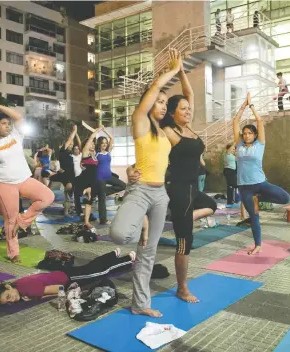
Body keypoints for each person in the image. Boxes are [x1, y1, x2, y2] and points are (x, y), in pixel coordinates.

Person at [110, 49, 181, 318]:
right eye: (160, 101)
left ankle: (140, 304)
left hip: (160, 194)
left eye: (165, 103)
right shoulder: (140, 122)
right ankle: (139, 220)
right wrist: (171, 72)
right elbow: (153, 88)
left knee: (148, 252)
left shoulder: (163, 133)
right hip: (140, 191)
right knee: (119, 235)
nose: (163, 105)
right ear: (148, 103)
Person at [159, 62, 218, 303]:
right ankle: (182, 288)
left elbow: (190, 93)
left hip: (196, 188)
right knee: (185, 243)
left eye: (188, 108)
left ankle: (185, 217)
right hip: (181, 190)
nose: (187, 111)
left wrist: (181, 69)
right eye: (182, 109)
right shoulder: (169, 132)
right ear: (172, 113)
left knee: (212, 205)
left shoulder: (188, 129)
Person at [0, 93, 55, 264]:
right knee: (9, 219)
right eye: (3, 124)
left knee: (48, 197)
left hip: (24, 179)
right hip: (3, 184)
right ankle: (13, 253)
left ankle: (22, 221)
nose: (8, 126)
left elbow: (19, 117)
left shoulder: (16, 136)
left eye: (8, 124)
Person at [232, 92, 290, 255]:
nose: (246, 135)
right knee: (254, 217)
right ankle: (258, 245)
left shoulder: (260, 144)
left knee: (285, 198)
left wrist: (251, 106)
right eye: (245, 133)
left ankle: (260, 198)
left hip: (260, 183)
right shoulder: (239, 145)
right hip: (245, 187)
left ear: (255, 135)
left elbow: (259, 121)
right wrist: (243, 106)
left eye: (250, 133)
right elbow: (235, 121)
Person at [0, 249, 135, 308]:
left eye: (8, 296)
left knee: (99, 273)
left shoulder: (26, 289)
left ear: (8, 287)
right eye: (8, 302)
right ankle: (112, 254)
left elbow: (60, 289)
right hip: (61, 273)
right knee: (90, 268)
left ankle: (128, 259)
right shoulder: (18, 285)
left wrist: (57, 301)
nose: (13, 299)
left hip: (67, 278)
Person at [80, 122, 126, 225]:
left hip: (108, 176)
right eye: (103, 143)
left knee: (122, 185)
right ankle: (103, 219)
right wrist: (96, 132)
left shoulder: (108, 151)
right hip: (100, 177)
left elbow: (112, 139)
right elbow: (87, 153)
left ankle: (101, 192)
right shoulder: (96, 153)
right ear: (99, 144)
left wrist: (104, 131)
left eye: (106, 142)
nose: (105, 144)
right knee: (102, 199)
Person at [49, 125, 81, 216]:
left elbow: (78, 145)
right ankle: (64, 196)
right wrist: (74, 131)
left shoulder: (71, 154)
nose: (71, 145)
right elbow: (70, 138)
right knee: (68, 188)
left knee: (70, 194)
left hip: (71, 175)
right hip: (65, 175)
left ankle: (66, 210)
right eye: (69, 144)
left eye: (72, 144)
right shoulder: (62, 151)